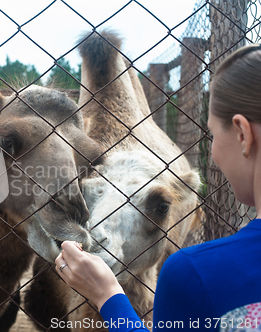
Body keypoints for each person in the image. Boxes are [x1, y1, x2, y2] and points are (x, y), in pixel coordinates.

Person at [55, 44, 261, 332]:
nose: (212, 148)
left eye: (212, 134)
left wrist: (108, 297)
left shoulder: (194, 273)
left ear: (242, 134)